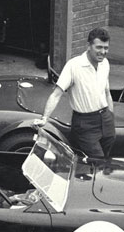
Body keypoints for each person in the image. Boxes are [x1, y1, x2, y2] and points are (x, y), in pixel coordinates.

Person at [33, 27, 115, 158]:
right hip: (85, 122)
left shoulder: (105, 63)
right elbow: (56, 94)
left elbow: (106, 92)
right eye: (99, 47)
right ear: (88, 46)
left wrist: (110, 115)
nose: (103, 52)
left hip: (106, 120)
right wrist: (44, 118)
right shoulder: (73, 65)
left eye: (106, 48)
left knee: (105, 158)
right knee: (98, 160)